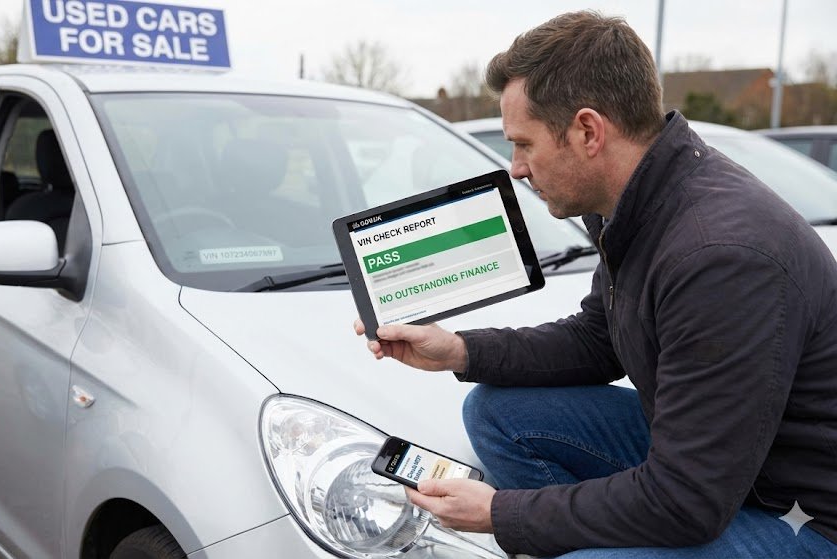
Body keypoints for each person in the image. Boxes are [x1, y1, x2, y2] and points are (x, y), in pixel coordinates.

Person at [355, 11, 837, 558]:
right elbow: (598, 339)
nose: (515, 167)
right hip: (732, 467)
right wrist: (459, 351)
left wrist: (499, 514)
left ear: (588, 131)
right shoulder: (641, 203)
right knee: (494, 413)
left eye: (524, 144)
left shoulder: (720, 257)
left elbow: (686, 501)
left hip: (802, 511)